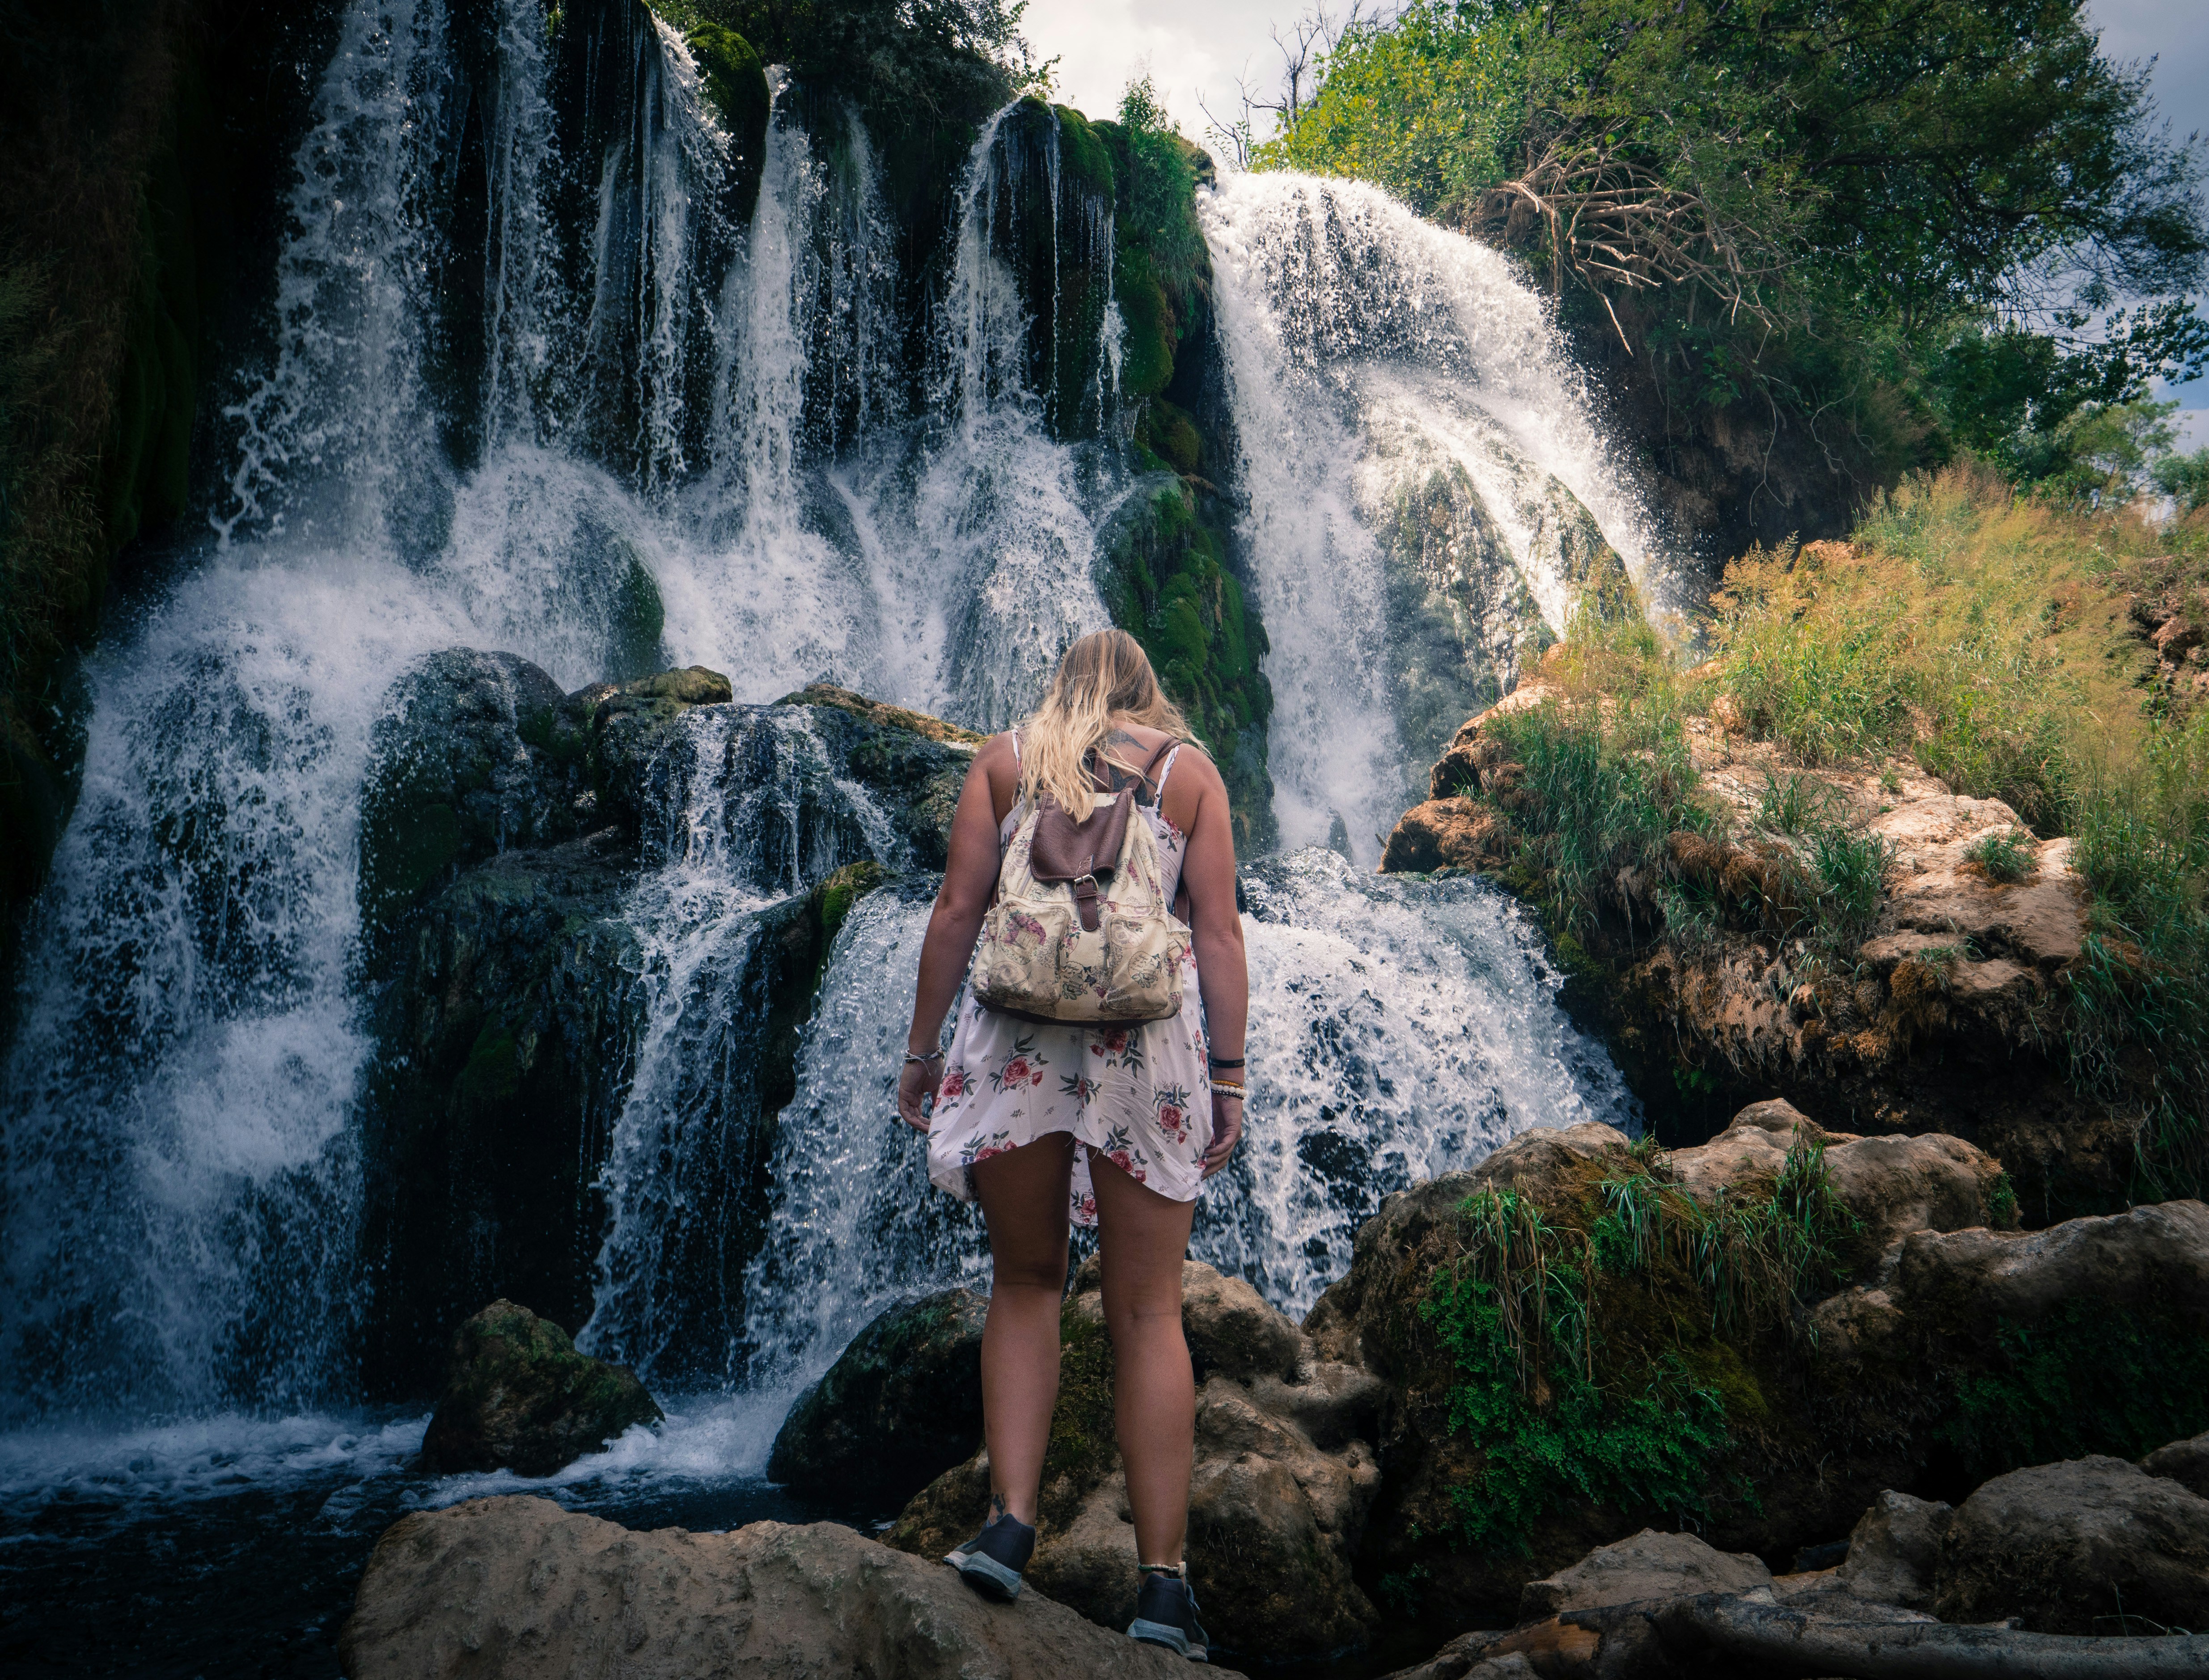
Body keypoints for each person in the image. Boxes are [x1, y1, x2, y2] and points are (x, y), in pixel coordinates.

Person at [897, 628, 1248, 1662]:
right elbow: (1218, 933)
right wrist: (1228, 1076)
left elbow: (957, 910)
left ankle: (1008, 1525)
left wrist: (921, 1054)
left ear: (1061, 687)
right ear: (1146, 694)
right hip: (1144, 1048)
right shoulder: (1185, 776)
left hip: (1017, 1040)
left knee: (1026, 1282)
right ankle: (1163, 1588)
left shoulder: (1005, 762)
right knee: (1147, 1309)